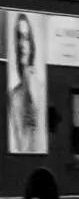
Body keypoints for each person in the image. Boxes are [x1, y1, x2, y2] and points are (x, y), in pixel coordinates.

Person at [6, 12, 44, 153]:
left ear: (31, 43)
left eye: (26, 38)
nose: (22, 44)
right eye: (19, 37)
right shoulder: (13, 95)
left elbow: (36, 131)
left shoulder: (39, 88)